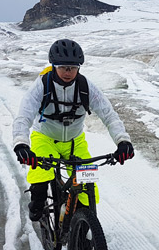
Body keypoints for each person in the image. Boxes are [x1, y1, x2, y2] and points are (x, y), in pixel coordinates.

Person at [12, 38, 134, 221]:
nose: (68, 72)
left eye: (72, 68)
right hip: (44, 138)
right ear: (53, 66)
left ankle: (83, 226)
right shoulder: (41, 86)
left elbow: (109, 115)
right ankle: (37, 202)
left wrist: (123, 141)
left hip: (74, 142)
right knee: (40, 174)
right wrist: (21, 144)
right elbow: (24, 116)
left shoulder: (86, 87)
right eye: (62, 67)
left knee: (87, 186)